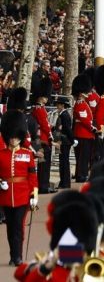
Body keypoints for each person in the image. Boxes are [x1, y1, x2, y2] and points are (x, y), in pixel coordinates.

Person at [0, 112, 37, 266]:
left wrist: (34, 195)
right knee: (10, 228)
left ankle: (18, 256)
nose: (14, 139)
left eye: (16, 137)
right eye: (11, 136)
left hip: (23, 195)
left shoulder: (27, 154)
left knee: (18, 227)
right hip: (6, 195)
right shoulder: (1, 155)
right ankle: (12, 254)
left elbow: (33, 178)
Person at [50, 95, 71, 190]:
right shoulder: (63, 114)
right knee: (62, 162)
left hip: (64, 141)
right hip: (61, 141)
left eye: (58, 104)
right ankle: (64, 182)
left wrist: (71, 139)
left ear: (62, 105)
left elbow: (67, 129)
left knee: (64, 162)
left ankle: (65, 182)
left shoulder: (64, 115)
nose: (57, 106)